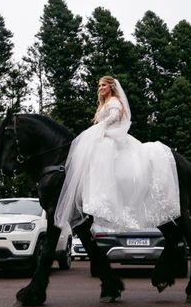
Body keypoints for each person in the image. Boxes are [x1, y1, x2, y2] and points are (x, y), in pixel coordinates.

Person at [54, 76, 180, 231]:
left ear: (111, 87)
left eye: (103, 85)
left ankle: (105, 196)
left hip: (112, 138)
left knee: (101, 159)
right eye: (99, 85)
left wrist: (102, 127)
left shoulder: (114, 101)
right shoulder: (104, 104)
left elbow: (116, 115)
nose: (100, 88)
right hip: (106, 136)